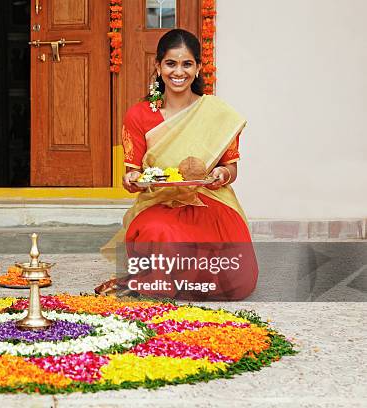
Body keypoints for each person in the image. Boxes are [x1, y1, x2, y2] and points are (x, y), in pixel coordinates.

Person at [97, 29, 258, 300]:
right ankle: (163, 284)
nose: (178, 72)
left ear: (198, 68)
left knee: (237, 278)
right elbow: (133, 173)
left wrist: (221, 173)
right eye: (171, 63)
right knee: (159, 233)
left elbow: (231, 169)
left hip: (210, 201)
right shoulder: (139, 115)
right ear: (158, 66)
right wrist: (132, 180)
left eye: (187, 64)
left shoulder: (216, 113)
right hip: (160, 202)